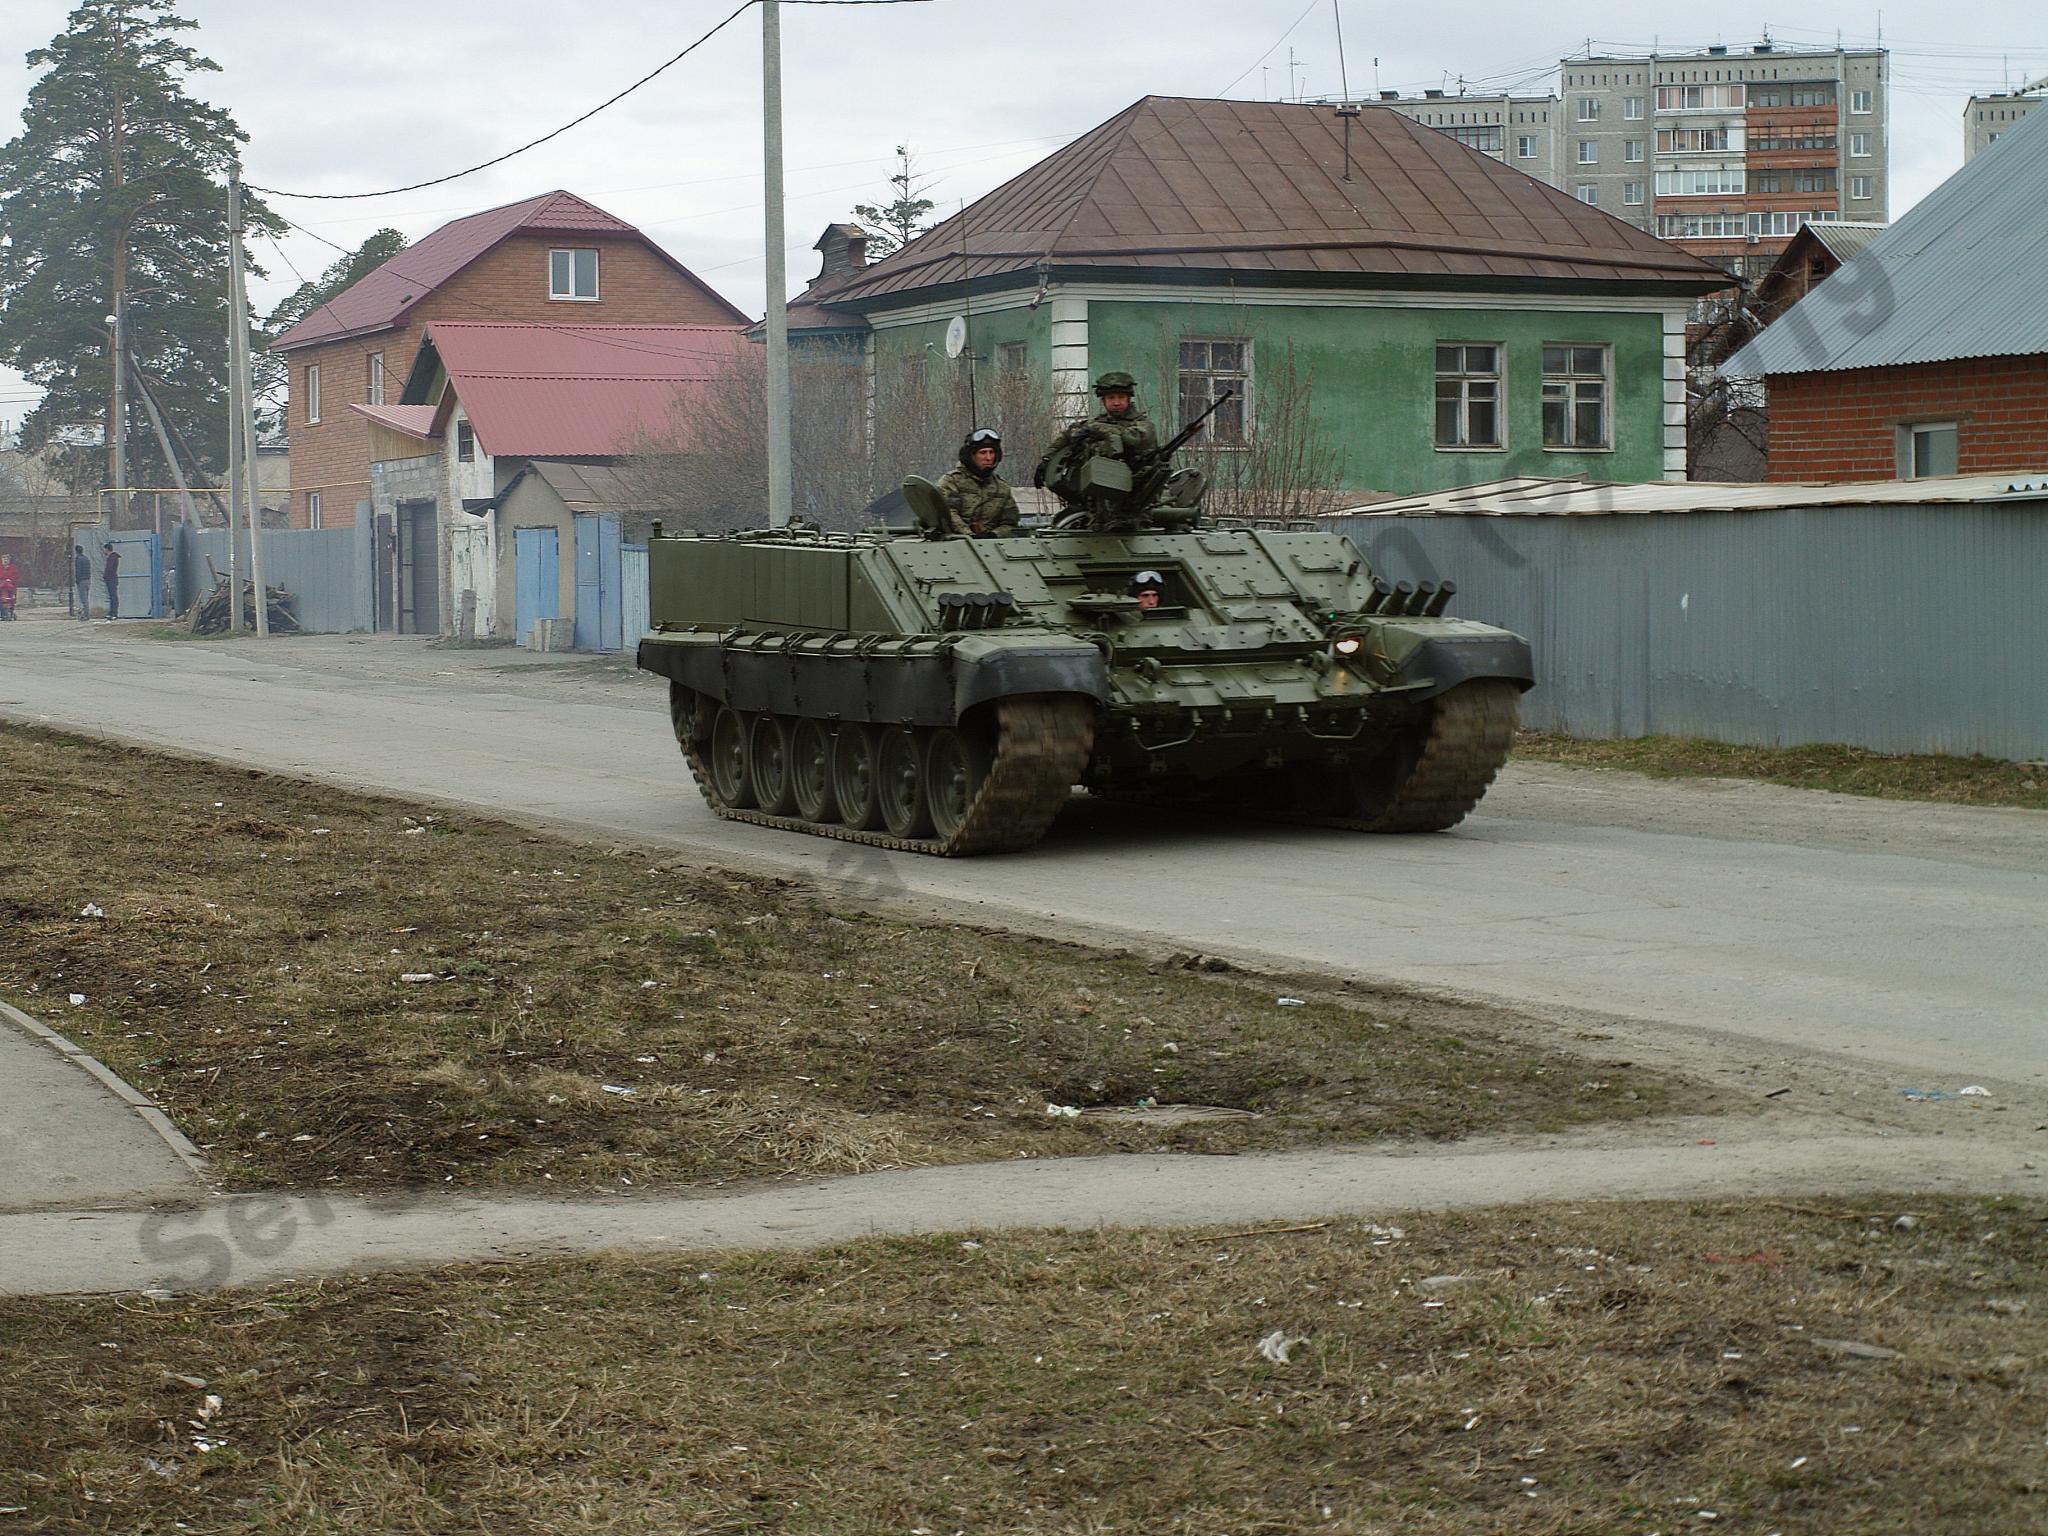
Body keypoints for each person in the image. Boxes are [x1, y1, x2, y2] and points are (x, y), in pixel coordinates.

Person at [1051, 370, 1159, 466]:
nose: (1116, 403)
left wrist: (1094, 428)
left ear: (1128, 399)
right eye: (1111, 398)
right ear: (1103, 401)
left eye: (1121, 397)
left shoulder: (1143, 424)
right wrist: (1047, 459)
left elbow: (1133, 438)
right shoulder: (1095, 422)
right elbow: (1068, 435)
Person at [933, 427, 1020, 538]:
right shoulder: (952, 481)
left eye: (992, 452)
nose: (988, 458)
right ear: (971, 456)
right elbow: (948, 514)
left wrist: (994, 535)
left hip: (992, 545)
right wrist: (969, 535)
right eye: (982, 453)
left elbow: (1010, 523)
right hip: (957, 542)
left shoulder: (1001, 487)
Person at [100, 542, 120, 621]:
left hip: (111, 579)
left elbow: (110, 568)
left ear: (107, 549)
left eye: (104, 549)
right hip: (111, 578)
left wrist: (105, 575)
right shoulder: (111, 557)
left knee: (113, 596)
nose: (103, 551)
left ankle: (114, 613)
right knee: (112, 596)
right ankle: (111, 613)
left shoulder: (112, 557)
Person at [72, 544, 91, 622]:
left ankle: (86, 615)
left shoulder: (78, 559)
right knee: (86, 598)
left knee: (84, 599)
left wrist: (77, 580)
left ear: (76, 551)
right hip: (88, 580)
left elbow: (78, 571)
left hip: (82, 581)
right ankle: (86, 614)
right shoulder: (86, 558)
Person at [0, 552, 18, 621]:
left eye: (7, 559)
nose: (5, 560)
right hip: (1, 586)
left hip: (10, 587)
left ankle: (9, 612)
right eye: (4, 558)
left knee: (10, 599)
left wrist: (9, 580)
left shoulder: (13, 568)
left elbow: (15, 577)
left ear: (9, 560)